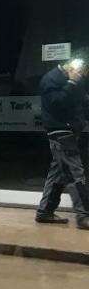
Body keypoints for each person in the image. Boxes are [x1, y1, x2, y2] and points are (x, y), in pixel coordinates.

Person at [35, 55, 89, 230]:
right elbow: (56, 103)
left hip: (71, 131)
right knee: (75, 173)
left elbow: (79, 103)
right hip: (60, 132)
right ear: (71, 66)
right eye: (83, 70)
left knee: (57, 173)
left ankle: (45, 212)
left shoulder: (74, 81)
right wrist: (72, 83)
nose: (84, 74)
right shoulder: (52, 78)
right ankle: (83, 215)